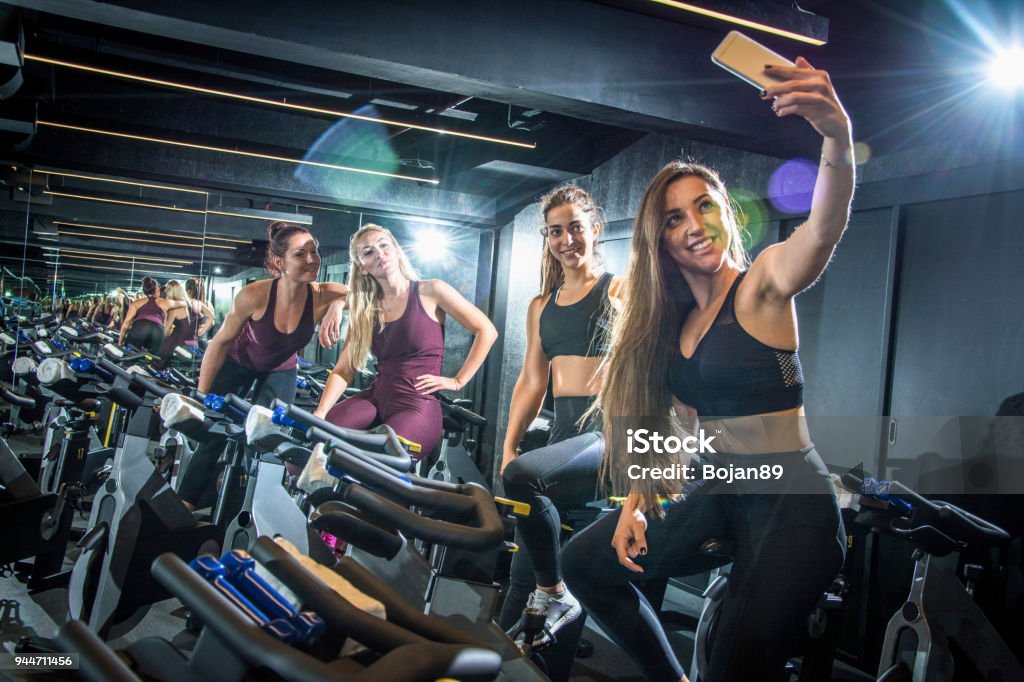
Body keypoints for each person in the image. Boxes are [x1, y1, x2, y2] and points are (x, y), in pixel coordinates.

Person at [560, 57, 854, 682]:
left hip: (789, 504)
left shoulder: (762, 286)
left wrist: (835, 136)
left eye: (706, 207)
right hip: (719, 488)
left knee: (734, 668)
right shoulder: (665, 326)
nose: (695, 226)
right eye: (674, 218)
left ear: (728, 212)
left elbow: (823, 230)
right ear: (658, 238)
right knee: (583, 563)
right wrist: (638, 496)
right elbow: (675, 427)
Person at [497, 185, 622, 644]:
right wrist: (510, 447)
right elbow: (532, 381)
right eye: (555, 232)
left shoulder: (618, 290)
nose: (566, 239)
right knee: (523, 582)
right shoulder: (540, 305)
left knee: (573, 581)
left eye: (574, 228)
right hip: (560, 444)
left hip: (603, 439)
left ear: (594, 229)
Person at [177, 222, 347, 510]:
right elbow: (219, 343)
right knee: (214, 434)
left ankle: (243, 507)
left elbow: (362, 293)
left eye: (314, 251)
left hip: (280, 368)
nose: (311, 259)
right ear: (280, 262)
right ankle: (186, 503)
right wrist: (202, 395)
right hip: (239, 362)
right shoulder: (254, 295)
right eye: (300, 254)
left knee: (264, 437)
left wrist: (337, 305)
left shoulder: (324, 293)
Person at [312, 223, 497, 463]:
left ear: (397, 250)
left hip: (416, 403)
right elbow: (344, 370)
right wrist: (320, 412)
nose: (379, 253)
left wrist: (458, 380)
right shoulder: (365, 308)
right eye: (368, 252)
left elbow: (487, 330)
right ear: (362, 267)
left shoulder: (432, 291)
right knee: (314, 442)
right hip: (377, 396)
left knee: (379, 465)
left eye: (384, 245)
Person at [156, 279, 215, 368]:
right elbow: (211, 317)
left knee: (159, 362)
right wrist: (200, 332)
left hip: (176, 342)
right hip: (193, 342)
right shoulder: (197, 303)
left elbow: (166, 330)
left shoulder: (174, 309)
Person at [118, 277, 184, 353]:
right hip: (158, 331)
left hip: (140, 327)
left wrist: (120, 341)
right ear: (157, 290)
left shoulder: (136, 303)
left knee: (130, 355)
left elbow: (126, 323)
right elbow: (184, 303)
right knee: (151, 360)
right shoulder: (165, 302)